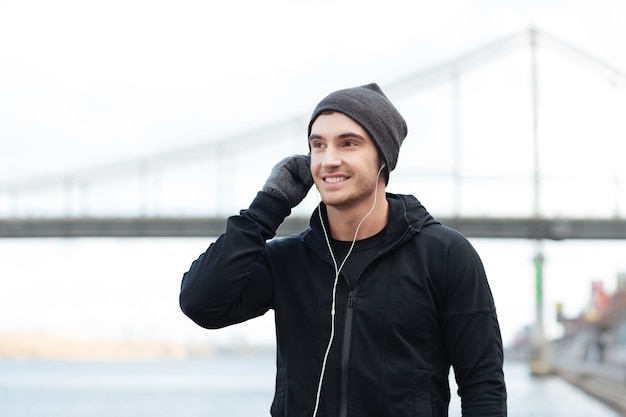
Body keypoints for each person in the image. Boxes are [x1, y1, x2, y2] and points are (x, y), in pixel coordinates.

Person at [179, 83, 507, 417]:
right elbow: (200, 303)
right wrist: (267, 207)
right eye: (317, 145)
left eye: (348, 143)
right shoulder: (287, 260)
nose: (328, 160)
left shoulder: (445, 254)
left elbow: (483, 386)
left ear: (383, 157)